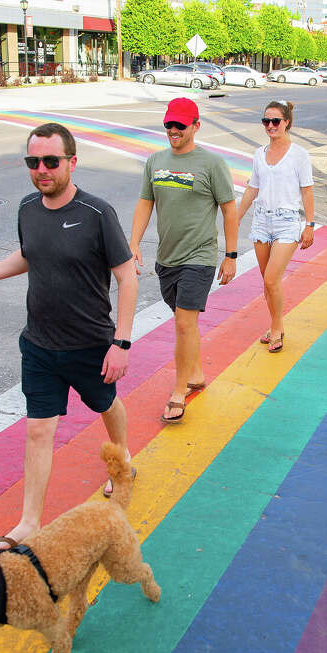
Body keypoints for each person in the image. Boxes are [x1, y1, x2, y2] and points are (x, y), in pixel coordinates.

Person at [0, 122, 138, 555]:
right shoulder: (27, 208)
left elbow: (127, 278)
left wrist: (122, 343)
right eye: (33, 162)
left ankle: (124, 461)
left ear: (71, 162)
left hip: (91, 343)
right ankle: (28, 523)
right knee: (38, 430)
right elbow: (28, 254)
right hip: (38, 343)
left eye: (51, 161)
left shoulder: (97, 214)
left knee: (106, 404)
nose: (42, 170)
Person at [129, 97, 240, 424]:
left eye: (180, 125)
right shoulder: (155, 161)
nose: (173, 130)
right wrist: (133, 242)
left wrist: (230, 255)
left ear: (195, 126)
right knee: (184, 322)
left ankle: (179, 392)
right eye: (169, 125)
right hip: (167, 259)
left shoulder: (212, 164)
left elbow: (229, 210)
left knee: (183, 322)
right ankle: (195, 374)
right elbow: (145, 203)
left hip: (200, 256)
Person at [236, 100, 315, 354]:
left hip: (288, 222)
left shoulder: (299, 155)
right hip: (261, 221)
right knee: (268, 282)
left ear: (287, 122)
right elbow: (252, 188)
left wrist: (309, 225)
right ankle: (275, 324)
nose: (270, 126)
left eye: (275, 121)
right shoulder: (259, 154)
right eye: (266, 121)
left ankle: (277, 327)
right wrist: (235, 218)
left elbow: (307, 191)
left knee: (271, 279)